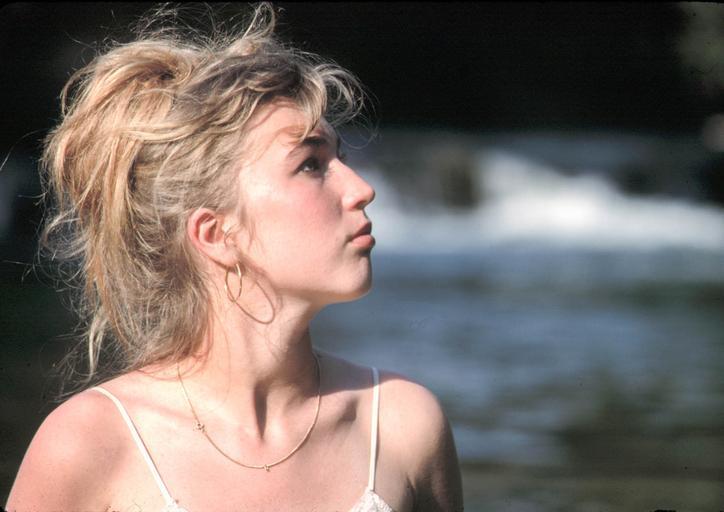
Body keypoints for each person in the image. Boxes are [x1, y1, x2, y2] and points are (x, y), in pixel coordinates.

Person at [5, 4, 463, 511]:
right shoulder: (91, 444)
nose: (362, 189)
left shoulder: (401, 426)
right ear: (216, 233)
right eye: (311, 164)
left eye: (341, 157)